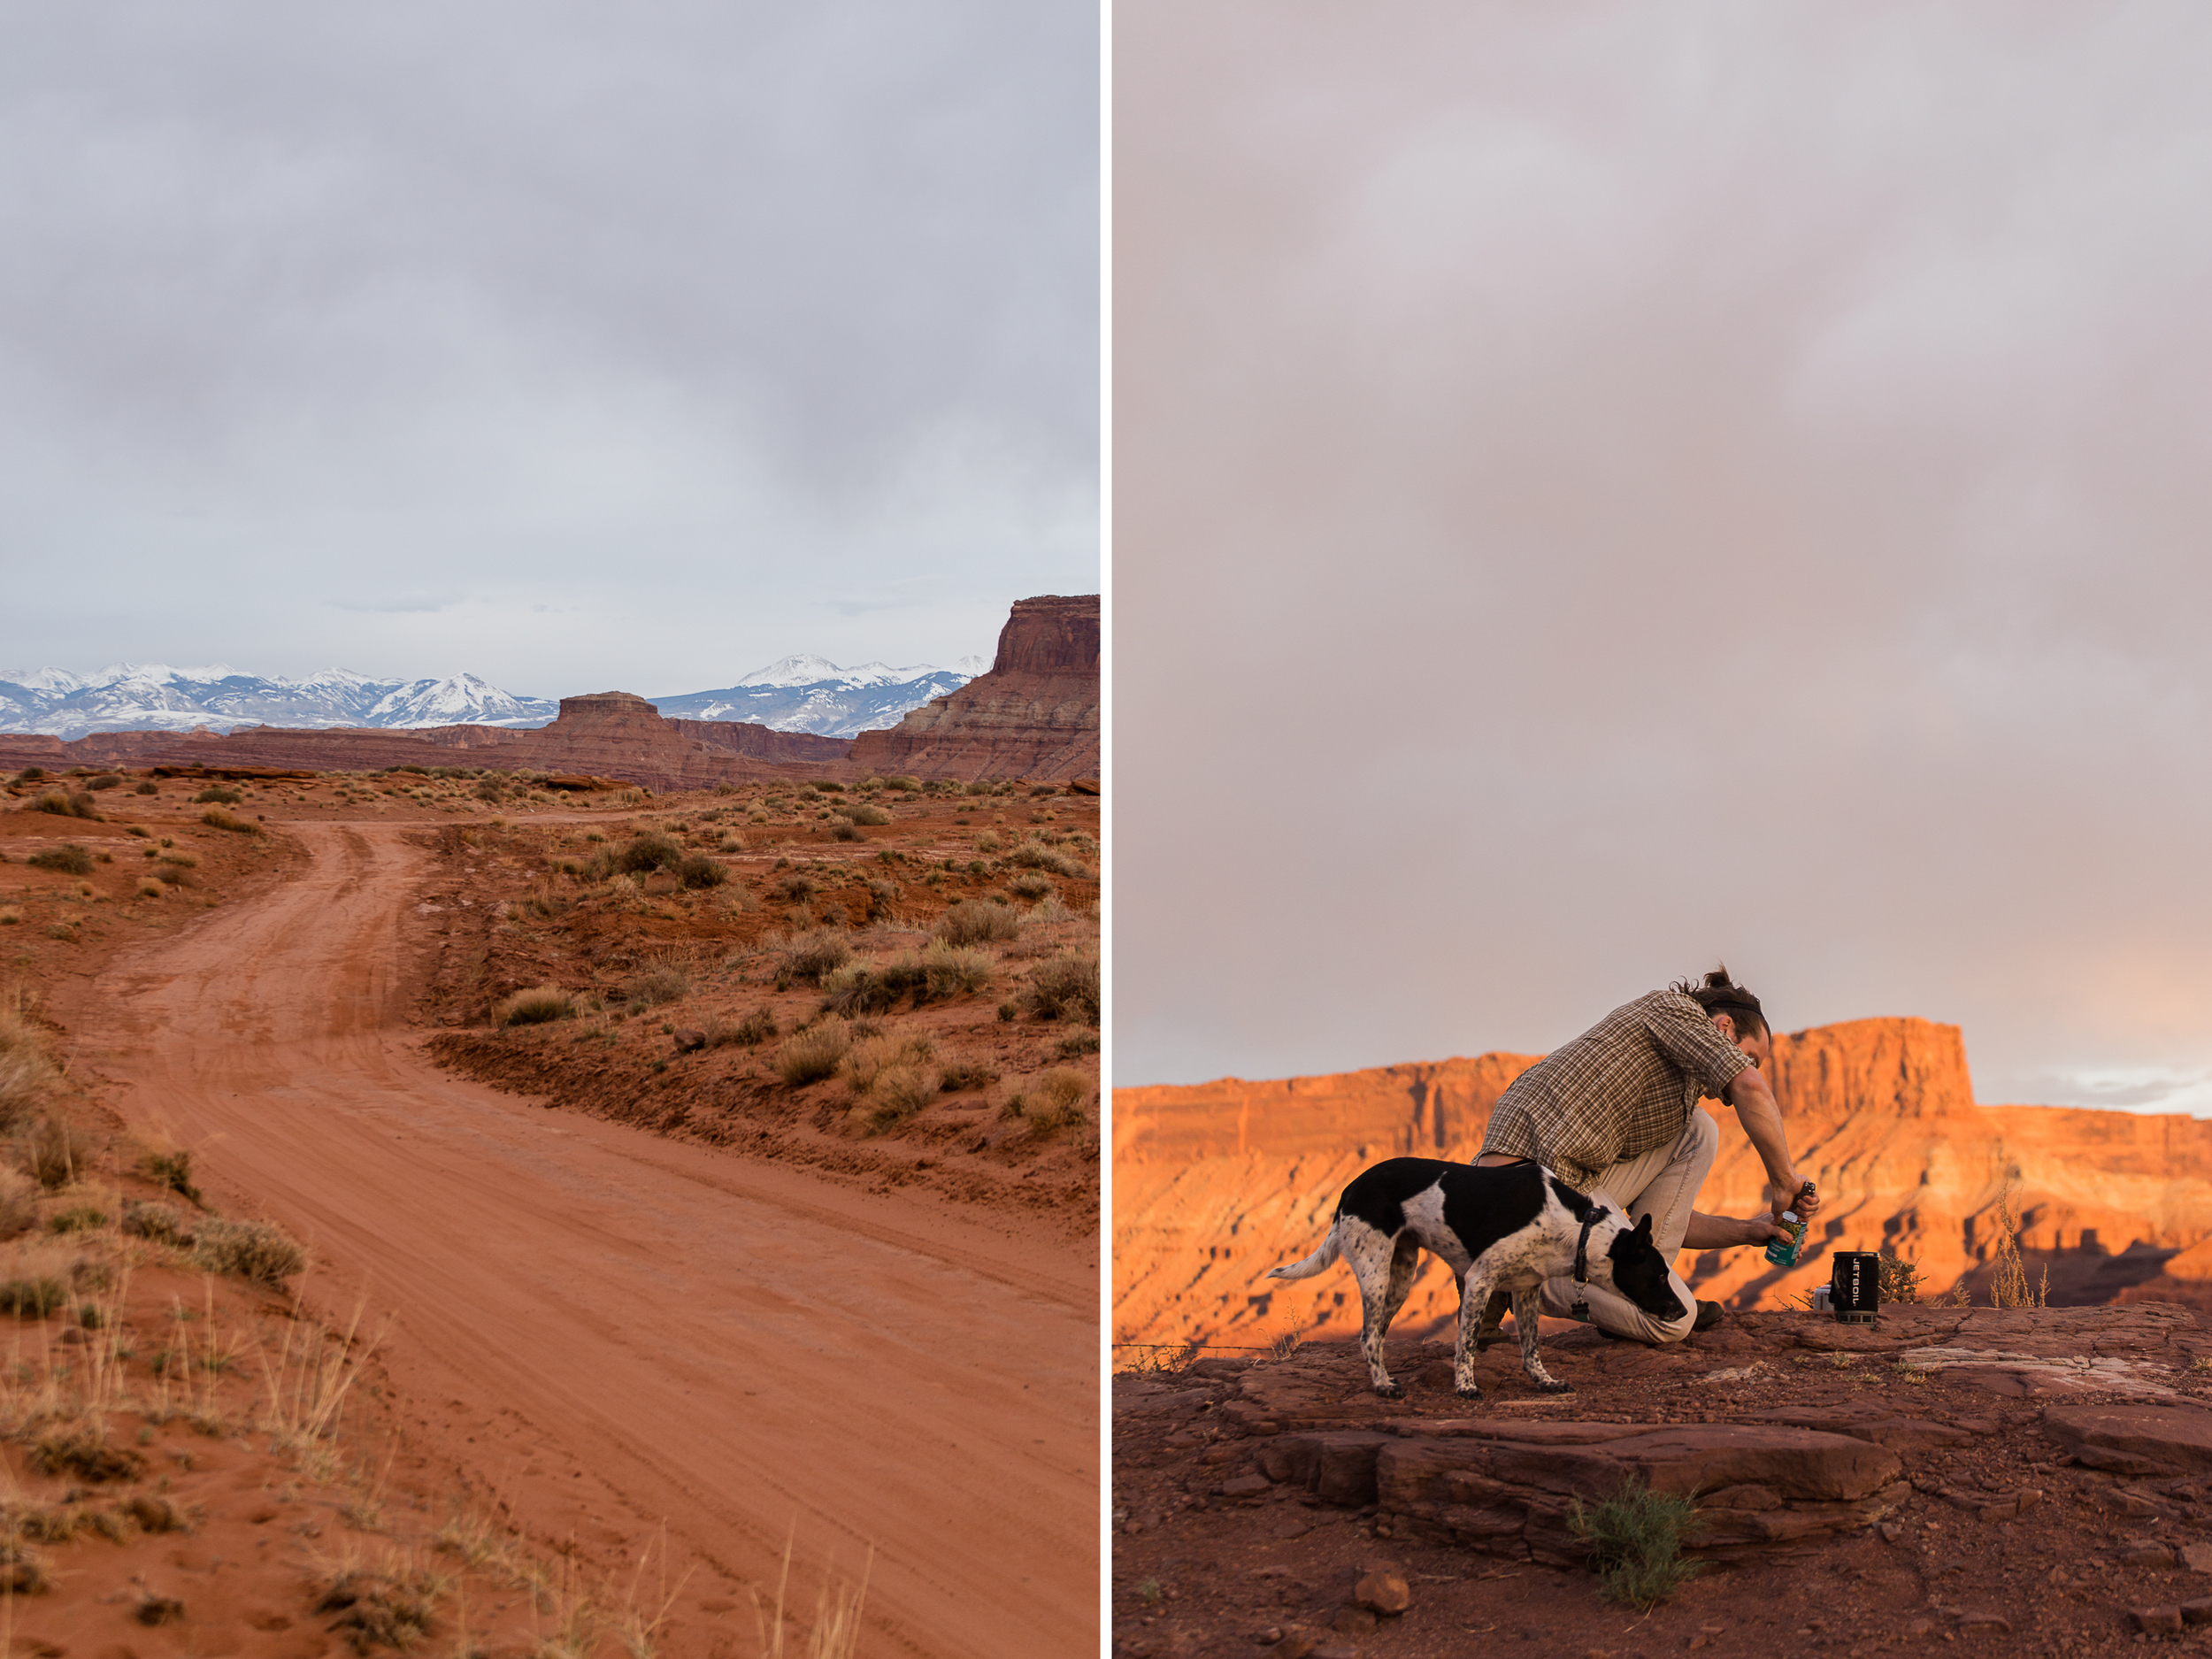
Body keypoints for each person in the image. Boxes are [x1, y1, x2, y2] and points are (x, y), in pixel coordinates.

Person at [1471, 966, 1819, 1344]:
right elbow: (1748, 1086)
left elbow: (1655, 1217)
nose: (1745, 1071)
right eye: (1750, 1056)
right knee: (1672, 1323)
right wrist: (1785, 1180)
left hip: (1560, 1182)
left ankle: (1646, 1292)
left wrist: (1749, 1230)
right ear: (1723, 1027)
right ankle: (1522, 1280)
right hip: (1522, 1193)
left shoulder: (1668, 1092)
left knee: (1699, 1129)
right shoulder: (1670, 1009)